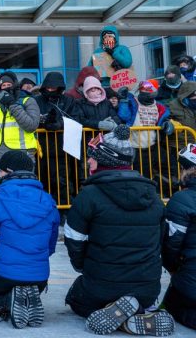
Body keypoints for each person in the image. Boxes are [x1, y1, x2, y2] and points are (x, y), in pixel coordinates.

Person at [64, 125, 174, 336]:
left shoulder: (89, 195)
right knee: (132, 295)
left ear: (104, 160)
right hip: (147, 288)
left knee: (76, 299)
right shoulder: (153, 196)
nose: (88, 161)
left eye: (92, 157)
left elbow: (73, 238)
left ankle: (120, 316)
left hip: (102, 284)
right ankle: (138, 312)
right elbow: (161, 239)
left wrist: (82, 266)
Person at [0, 150, 59, 329]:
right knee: (27, 283)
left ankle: (6, 300)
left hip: (3, 274)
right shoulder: (48, 200)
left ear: (10, 172)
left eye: (1, 170)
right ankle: (26, 297)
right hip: (39, 277)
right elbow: (51, 243)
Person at [0, 71, 40, 188]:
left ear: (15, 85)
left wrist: (12, 104)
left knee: (23, 194)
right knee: (0, 195)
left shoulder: (28, 101)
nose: (6, 88)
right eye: (3, 86)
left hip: (22, 159)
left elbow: (31, 125)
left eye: (9, 85)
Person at [162, 144, 196, 331]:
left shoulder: (182, 199)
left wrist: (174, 269)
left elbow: (170, 246)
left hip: (190, 282)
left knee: (172, 305)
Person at [34, 72, 75, 208]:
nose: (51, 90)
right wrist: (43, 122)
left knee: (62, 182)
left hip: (62, 149)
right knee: (41, 181)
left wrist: (59, 124)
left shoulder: (68, 101)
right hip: (41, 149)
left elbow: (76, 118)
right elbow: (31, 119)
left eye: (54, 87)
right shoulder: (37, 101)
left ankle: (63, 209)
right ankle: (42, 209)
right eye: (48, 87)